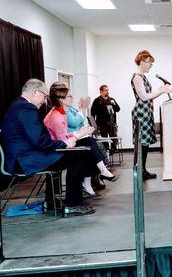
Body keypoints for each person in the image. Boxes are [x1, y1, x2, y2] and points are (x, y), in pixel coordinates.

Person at [1, 79, 98, 216]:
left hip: (23, 157)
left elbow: (37, 139)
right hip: (25, 160)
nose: (45, 101)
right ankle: (72, 204)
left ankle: (50, 202)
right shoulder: (27, 108)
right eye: (44, 96)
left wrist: (64, 143)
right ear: (35, 92)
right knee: (80, 156)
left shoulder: (17, 106)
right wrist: (64, 144)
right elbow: (39, 141)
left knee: (71, 154)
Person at [43, 82, 119, 196]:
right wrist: (80, 133)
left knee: (89, 145)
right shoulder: (57, 115)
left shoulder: (61, 112)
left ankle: (98, 174)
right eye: (69, 96)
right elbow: (64, 141)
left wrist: (80, 132)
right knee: (87, 151)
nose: (72, 97)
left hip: (60, 146)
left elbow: (66, 134)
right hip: (56, 152)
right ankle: (96, 176)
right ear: (61, 100)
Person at [131, 50, 172, 180]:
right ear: (142, 62)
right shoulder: (137, 77)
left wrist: (161, 91)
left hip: (147, 112)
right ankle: (141, 171)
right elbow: (144, 97)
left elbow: (148, 97)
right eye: (150, 63)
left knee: (145, 144)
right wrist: (161, 91)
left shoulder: (143, 77)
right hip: (141, 113)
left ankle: (143, 170)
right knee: (142, 143)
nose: (151, 66)